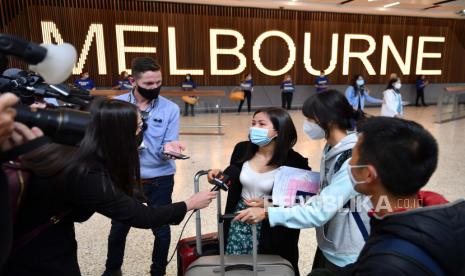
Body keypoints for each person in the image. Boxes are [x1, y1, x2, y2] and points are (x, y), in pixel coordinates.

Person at [2, 98, 216, 276]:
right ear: (119, 133)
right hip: (39, 255)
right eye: (139, 126)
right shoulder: (84, 171)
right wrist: (189, 203)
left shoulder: (71, 151)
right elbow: (141, 216)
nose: (142, 131)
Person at [235, 90, 370, 273]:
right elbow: (322, 198)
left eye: (310, 119)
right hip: (330, 244)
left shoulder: (351, 161)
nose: (307, 124)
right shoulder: (331, 149)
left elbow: (320, 212)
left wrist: (268, 213)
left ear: (326, 120)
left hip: (348, 252)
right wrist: (272, 203)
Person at [337, 117, 465, 276]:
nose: (349, 164)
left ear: (369, 174)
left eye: (353, 157)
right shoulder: (449, 214)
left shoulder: (383, 266)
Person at [105, 57, 185, 276]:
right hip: (125, 177)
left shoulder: (171, 109)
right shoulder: (115, 104)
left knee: (161, 230)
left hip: (160, 178)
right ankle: (112, 270)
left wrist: (171, 149)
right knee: (118, 228)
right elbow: (106, 142)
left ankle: (157, 272)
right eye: (149, 84)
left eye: (158, 82)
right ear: (133, 80)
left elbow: (169, 141)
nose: (155, 88)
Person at [208, 107, 310, 275]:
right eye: (253, 123)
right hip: (239, 222)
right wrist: (217, 177)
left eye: (262, 124)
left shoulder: (295, 162)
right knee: (237, 268)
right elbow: (233, 178)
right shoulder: (242, 149)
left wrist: (267, 205)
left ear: (278, 131)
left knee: (267, 269)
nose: (255, 128)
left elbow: (304, 202)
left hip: (273, 226)